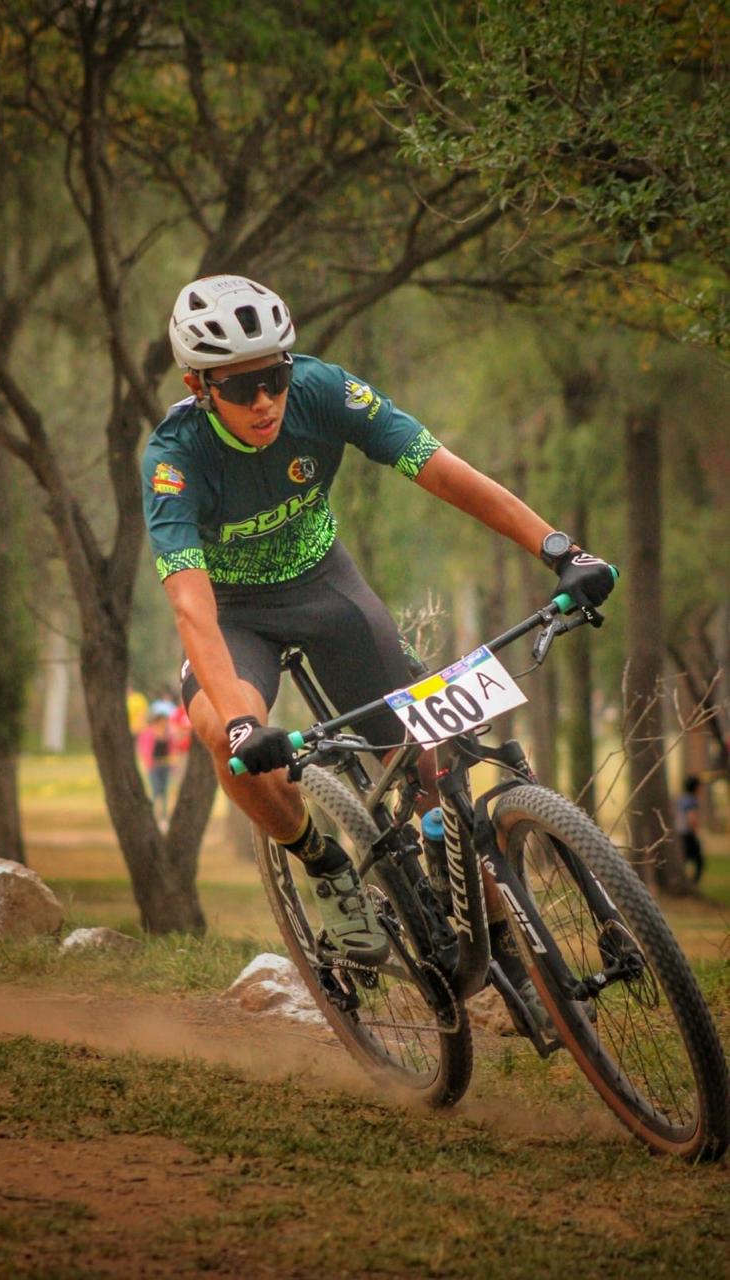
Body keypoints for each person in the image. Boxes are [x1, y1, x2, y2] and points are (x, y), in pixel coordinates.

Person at [142, 275, 615, 1014]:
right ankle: (324, 864)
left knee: (432, 757)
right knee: (220, 733)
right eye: (239, 387)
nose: (264, 401)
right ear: (198, 386)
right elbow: (190, 607)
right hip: (234, 614)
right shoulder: (175, 459)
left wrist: (558, 549)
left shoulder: (324, 391)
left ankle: (484, 923)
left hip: (325, 589)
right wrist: (240, 722)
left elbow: (443, 471)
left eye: (274, 377)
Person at [676, 774, 704, 884]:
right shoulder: (692, 800)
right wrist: (695, 831)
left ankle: (687, 882)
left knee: (685, 859)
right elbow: (691, 817)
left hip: (680, 833)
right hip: (688, 834)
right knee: (699, 862)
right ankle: (692, 884)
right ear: (695, 787)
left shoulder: (682, 799)